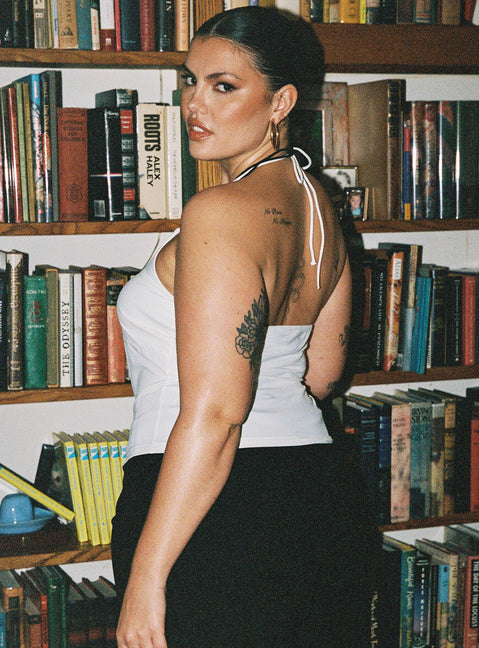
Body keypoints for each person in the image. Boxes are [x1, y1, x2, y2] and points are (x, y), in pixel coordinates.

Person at [111, 6, 377, 648]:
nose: (194, 104)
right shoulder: (321, 205)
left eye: (223, 86)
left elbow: (218, 414)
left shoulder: (219, 211)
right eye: (189, 80)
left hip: (211, 513)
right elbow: (322, 373)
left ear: (280, 102)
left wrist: (147, 579)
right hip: (316, 497)